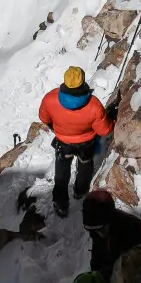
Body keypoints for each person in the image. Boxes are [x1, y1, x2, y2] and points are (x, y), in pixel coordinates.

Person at [37, 66, 113, 215]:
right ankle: (80, 191)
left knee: (61, 173)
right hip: (86, 143)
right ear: (82, 81)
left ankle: (60, 203)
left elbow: (44, 118)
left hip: (63, 142)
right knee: (85, 166)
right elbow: (104, 130)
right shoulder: (94, 104)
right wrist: (112, 121)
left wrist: (57, 128)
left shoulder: (50, 98)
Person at [83, 188, 141, 273]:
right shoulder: (98, 230)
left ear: (109, 220)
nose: (98, 233)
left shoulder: (132, 230)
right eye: (93, 229)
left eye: (100, 229)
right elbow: (98, 253)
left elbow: (130, 262)